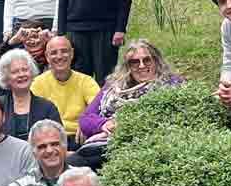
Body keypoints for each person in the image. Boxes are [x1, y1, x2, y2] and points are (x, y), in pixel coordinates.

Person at [75, 40, 180, 169]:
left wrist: (119, 128)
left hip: (144, 147)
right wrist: (104, 124)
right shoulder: (113, 87)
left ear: (156, 61)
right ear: (128, 66)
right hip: (104, 146)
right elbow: (85, 118)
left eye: (147, 60)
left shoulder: (171, 84)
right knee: (71, 164)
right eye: (135, 62)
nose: (141, 66)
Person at [31, 35, 99, 145]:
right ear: (47, 57)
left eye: (64, 51)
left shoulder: (86, 81)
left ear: (72, 53)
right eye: (53, 53)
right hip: (50, 139)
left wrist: (86, 124)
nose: (59, 56)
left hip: (80, 138)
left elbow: (97, 107)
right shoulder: (37, 83)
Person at [0, 49, 62, 141]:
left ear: (31, 73)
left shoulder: (48, 107)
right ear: (6, 77)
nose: (21, 74)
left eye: (25, 70)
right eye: (15, 72)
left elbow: (58, 140)